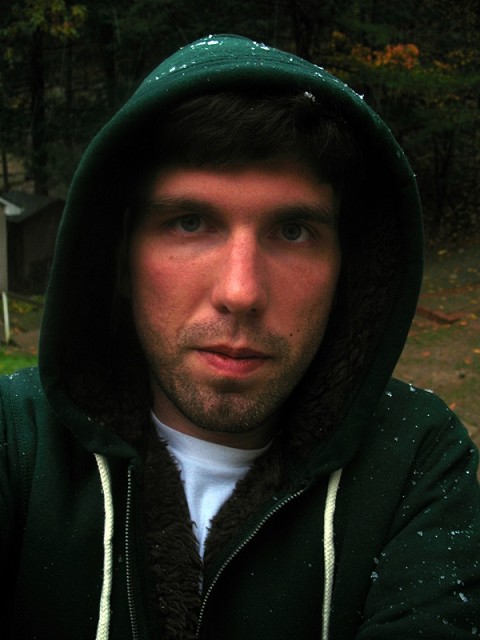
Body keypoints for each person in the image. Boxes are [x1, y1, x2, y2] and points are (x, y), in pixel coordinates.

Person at [1, 34, 479, 640]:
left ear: (349, 268)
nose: (241, 291)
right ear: (119, 258)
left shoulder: (415, 458)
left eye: (293, 231)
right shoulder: (15, 444)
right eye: (190, 223)